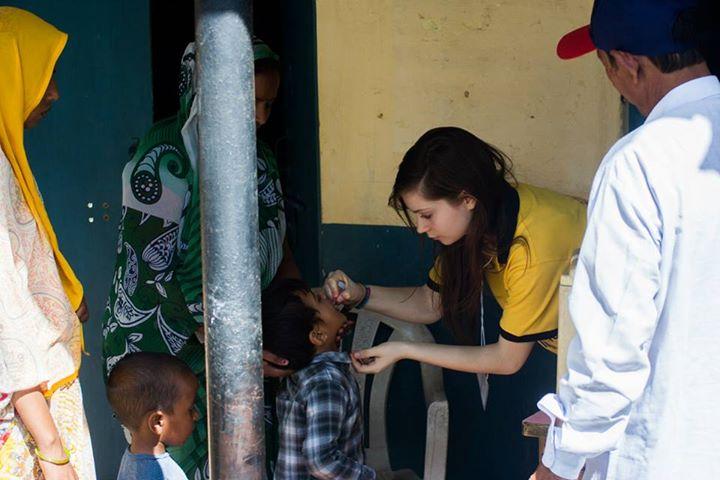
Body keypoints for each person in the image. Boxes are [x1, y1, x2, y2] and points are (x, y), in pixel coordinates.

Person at [323, 126, 586, 477]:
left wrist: (404, 349)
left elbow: (506, 360)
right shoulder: (480, 222)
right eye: (415, 215)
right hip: (571, 364)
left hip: (614, 365)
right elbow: (431, 304)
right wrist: (361, 293)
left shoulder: (531, 245)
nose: (419, 227)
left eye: (426, 214)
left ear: (467, 198)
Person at [531, 1, 720, 479]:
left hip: (667, 454)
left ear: (630, 63)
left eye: (605, 64)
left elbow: (611, 353)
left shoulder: (638, 163)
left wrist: (559, 464)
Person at [102, 38, 296, 478]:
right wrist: (232, 346)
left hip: (234, 338)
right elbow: (149, 267)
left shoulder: (260, 159)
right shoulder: (163, 154)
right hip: (156, 344)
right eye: (254, 102)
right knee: (171, 463)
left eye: (270, 104)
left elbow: (276, 240)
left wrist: (294, 307)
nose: (262, 118)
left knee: (239, 456)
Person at [0, 7, 95, 479]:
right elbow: (8, 321)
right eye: (42, 74)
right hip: (27, 422)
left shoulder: (7, 157)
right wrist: (53, 451)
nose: (54, 91)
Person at [263, 279, 375, 480]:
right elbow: (322, 461)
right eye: (318, 300)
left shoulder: (297, 375)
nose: (324, 296)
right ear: (318, 334)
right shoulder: (327, 383)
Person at [107, 352, 199, 480]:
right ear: (158, 422)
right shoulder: (162, 474)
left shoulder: (132, 459)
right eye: (190, 409)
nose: (196, 415)